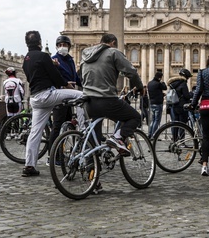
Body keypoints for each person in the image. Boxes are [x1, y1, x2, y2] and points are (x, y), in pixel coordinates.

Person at [21, 30, 82, 177]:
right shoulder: (44, 56)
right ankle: (84, 128)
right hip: (48, 94)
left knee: (35, 133)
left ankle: (29, 166)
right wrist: (67, 85)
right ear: (40, 42)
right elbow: (56, 78)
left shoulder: (26, 59)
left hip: (35, 98)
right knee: (81, 95)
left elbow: (37, 75)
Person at [80, 33, 143, 155]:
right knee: (135, 117)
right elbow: (132, 73)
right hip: (106, 99)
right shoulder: (113, 52)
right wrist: (139, 87)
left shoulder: (86, 55)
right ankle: (117, 138)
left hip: (88, 101)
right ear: (113, 42)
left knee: (95, 134)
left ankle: (90, 164)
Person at [48, 35, 85, 165]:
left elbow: (76, 77)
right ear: (57, 47)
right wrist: (64, 84)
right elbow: (52, 78)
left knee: (67, 125)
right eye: (60, 45)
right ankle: (53, 157)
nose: (62, 47)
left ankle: (62, 152)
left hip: (71, 96)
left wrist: (86, 83)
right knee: (57, 126)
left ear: (69, 46)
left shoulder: (70, 60)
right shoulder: (53, 60)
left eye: (65, 44)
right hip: (60, 96)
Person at [147, 72, 167, 138]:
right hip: (158, 103)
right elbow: (165, 87)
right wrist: (162, 82)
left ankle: (149, 134)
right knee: (157, 120)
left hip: (152, 103)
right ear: (160, 77)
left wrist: (161, 94)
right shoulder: (158, 84)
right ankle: (154, 135)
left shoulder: (149, 83)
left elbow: (155, 92)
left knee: (153, 120)